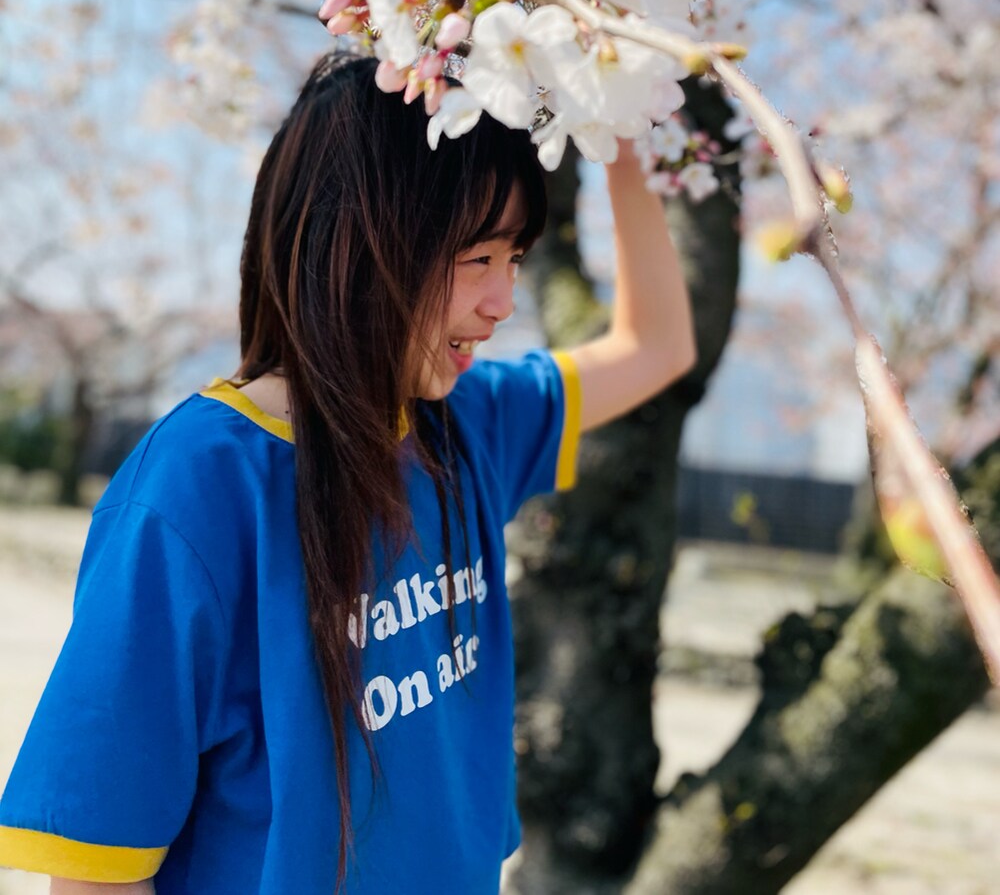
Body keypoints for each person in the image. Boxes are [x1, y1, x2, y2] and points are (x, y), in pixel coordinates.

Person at [0, 53, 696, 895]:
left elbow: (658, 347)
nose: (503, 300)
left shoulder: (465, 427)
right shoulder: (197, 488)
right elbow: (98, 867)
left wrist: (619, 121)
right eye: (477, 257)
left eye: (514, 258)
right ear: (362, 238)